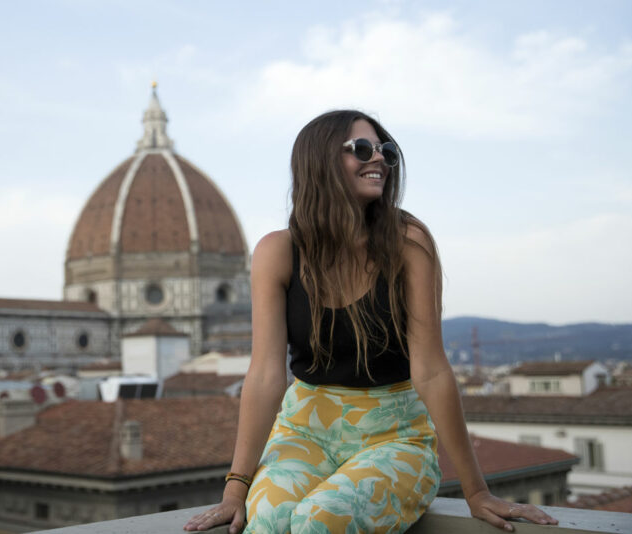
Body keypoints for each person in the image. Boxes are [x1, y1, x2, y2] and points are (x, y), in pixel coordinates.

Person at [184, 110, 559, 534]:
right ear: (319, 161)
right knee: (267, 520)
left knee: (319, 520)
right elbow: (266, 374)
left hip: (394, 437)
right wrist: (236, 489)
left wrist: (476, 492)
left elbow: (432, 371)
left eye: (386, 151)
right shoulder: (278, 251)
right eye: (361, 149)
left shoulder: (407, 242)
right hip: (304, 432)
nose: (378, 159)